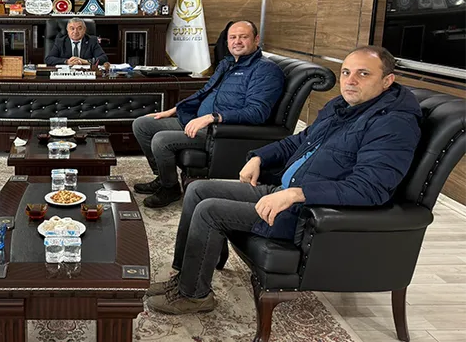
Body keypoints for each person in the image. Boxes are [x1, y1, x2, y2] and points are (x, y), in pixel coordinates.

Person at [146, 46, 422, 315]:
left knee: (210, 210)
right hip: (285, 191)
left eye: (363, 74)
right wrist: (259, 157)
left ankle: (194, 296)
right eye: (346, 72)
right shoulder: (343, 106)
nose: (350, 81)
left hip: (307, 213)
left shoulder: (393, 124)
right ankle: (185, 277)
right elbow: (299, 141)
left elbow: (369, 189)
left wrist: (297, 194)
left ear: (387, 80)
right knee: (197, 189)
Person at [132, 20, 284, 208]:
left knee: (161, 140)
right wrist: (173, 110)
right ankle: (163, 177)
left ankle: (169, 189)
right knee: (142, 125)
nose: (237, 41)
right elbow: (204, 92)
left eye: (243, 37)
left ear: (256, 39)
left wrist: (213, 117)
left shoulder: (265, 70)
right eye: (233, 37)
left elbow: (257, 112)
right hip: (199, 121)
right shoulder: (227, 63)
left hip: (221, 131)